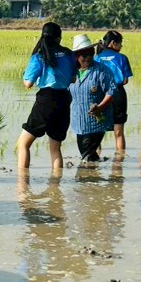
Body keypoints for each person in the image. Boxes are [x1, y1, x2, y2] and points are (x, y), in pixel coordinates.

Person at [17, 21, 77, 173]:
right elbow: (73, 79)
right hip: (64, 99)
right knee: (55, 148)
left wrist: (26, 76)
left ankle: (22, 182)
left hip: (46, 99)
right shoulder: (69, 54)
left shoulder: (39, 56)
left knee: (23, 143)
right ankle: (55, 184)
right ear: (59, 38)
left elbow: (28, 83)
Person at [68, 34, 117, 162]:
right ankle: (95, 170)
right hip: (78, 121)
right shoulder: (71, 72)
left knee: (86, 156)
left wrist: (100, 107)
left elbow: (111, 92)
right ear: (76, 56)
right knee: (88, 155)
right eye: (84, 55)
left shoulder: (102, 71)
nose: (88, 57)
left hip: (97, 121)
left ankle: (88, 173)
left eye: (91, 53)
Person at [93, 30, 134, 153]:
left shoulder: (96, 58)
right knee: (119, 132)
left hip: (101, 95)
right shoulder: (122, 58)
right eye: (120, 43)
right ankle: (120, 160)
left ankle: (95, 156)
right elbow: (125, 81)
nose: (121, 46)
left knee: (97, 129)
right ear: (112, 43)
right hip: (118, 94)